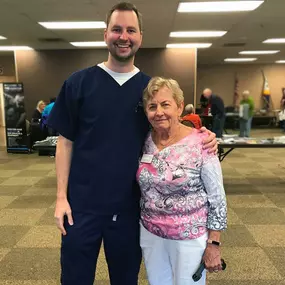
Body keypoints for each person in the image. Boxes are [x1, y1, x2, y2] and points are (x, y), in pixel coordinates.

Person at [47, 2, 218, 285]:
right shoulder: (78, 83)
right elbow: (65, 142)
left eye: (130, 30)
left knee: (126, 279)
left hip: (130, 208)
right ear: (106, 35)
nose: (123, 36)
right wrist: (61, 198)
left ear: (140, 37)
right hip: (80, 207)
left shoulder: (149, 89)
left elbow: (169, 126)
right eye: (117, 29)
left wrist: (203, 135)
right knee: (75, 278)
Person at [137, 77, 227, 285]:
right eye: (152, 106)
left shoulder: (202, 143)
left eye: (165, 104)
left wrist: (214, 243)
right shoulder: (145, 141)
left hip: (189, 236)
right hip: (151, 233)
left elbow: (217, 197)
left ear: (179, 107)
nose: (158, 111)